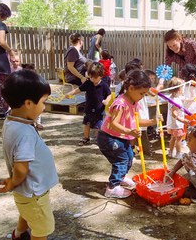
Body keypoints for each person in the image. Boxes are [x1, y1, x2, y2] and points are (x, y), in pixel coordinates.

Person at [0, 70, 65, 240]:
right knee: (41, 225)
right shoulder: (24, 134)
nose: (44, 107)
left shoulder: (13, 120)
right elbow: (21, 168)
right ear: (28, 103)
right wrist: (13, 181)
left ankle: (19, 234)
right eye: (43, 102)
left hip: (26, 193)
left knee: (26, 212)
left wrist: (32, 124)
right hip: (33, 189)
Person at [97, 69, 160, 198]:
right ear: (131, 88)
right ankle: (112, 188)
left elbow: (137, 121)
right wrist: (128, 131)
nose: (143, 96)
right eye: (142, 93)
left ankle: (120, 177)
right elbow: (114, 123)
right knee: (121, 160)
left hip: (121, 137)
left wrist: (152, 121)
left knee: (129, 158)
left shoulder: (134, 102)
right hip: (109, 137)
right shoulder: (120, 103)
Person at [160, 29, 196, 113]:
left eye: (174, 45)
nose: (172, 48)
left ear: (179, 39)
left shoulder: (191, 44)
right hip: (184, 75)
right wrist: (160, 83)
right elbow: (166, 67)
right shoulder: (169, 52)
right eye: (170, 46)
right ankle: (184, 117)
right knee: (184, 97)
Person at [65, 62, 112, 146]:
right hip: (88, 108)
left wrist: (107, 101)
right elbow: (79, 89)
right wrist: (71, 93)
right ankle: (86, 138)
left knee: (98, 126)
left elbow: (109, 94)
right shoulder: (88, 83)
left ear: (101, 76)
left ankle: (98, 139)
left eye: (95, 78)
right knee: (86, 124)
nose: (92, 79)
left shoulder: (104, 85)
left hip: (99, 109)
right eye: (91, 77)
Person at [166, 77, 188, 158]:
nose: (183, 89)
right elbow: (174, 114)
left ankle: (170, 152)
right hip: (177, 124)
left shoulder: (172, 97)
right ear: (178, 89)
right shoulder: (176, 101)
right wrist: (183, 120)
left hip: (172, 124)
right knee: (179, 139)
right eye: (182, 87)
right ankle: (178, 153)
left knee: (173, 138)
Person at [180, 64, 196, 137]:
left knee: (183, 127)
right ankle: (193, 139)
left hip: (185, 110)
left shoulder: (183, 83)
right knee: (194, 128)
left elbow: (182, 95)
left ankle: (182, 140)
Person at [20, 62, 43, 130]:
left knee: (37, 108)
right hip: (25, 98)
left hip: (34, 97)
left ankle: (38, 122)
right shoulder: (21, 80)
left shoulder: (37, 79)